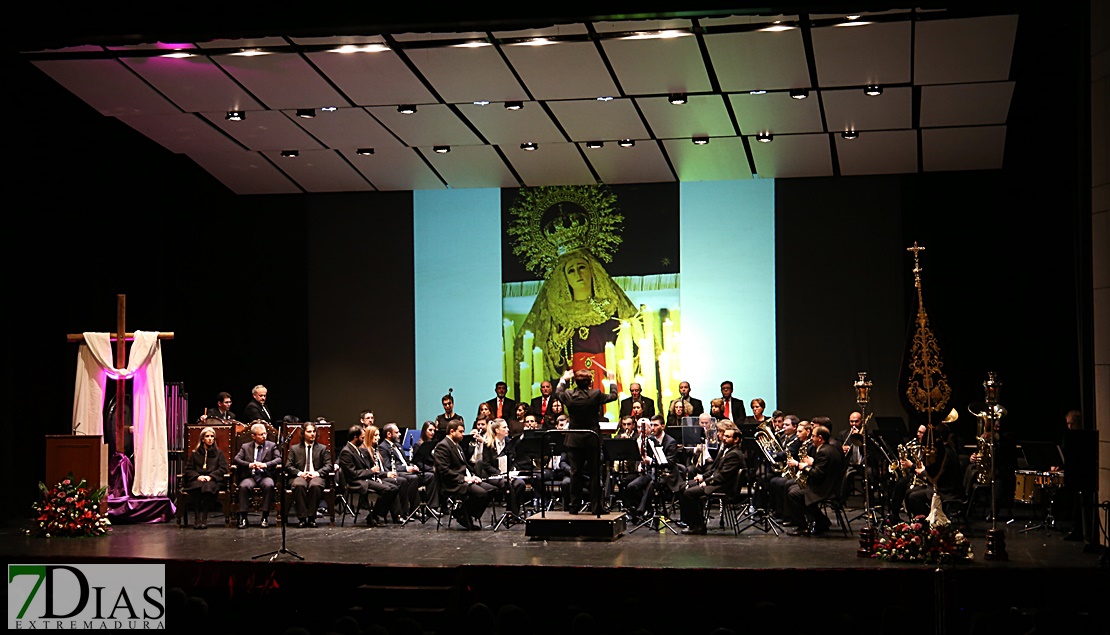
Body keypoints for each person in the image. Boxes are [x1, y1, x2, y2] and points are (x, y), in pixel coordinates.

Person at [515, 248, 638, 392]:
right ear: (564, 278)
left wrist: (627, 334)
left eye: (581, 267)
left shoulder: (611, 306)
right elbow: (549, 362)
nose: (578, 274)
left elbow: (635, 344)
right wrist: (555, 346)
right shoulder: (558, 312)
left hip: (606, 375)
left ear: (592, 270)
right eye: (571, 271)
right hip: (573, 378)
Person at [555, 366, 618, 514]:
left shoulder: (569, 395)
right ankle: (597, 507)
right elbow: (613, 396)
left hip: (575, 440)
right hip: (591, 439)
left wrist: (564, 379)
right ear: (590, 382)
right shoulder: (595, 394)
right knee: (595, 474)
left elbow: (558, 392)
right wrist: (612, 380)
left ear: (576, 382)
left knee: (575, 473)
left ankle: (574, 506)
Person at [679, 420, 745, 534]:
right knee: (683, 486)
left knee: (689, 493)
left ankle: (698, 526)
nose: (723, 438)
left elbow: (723, 476)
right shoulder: (726, 449)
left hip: (723, 486)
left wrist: (707, 482)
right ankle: (690, 521)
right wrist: (703, 477)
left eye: (727, 436)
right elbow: (715, 469)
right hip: (718, 482)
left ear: (736, 439)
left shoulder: (734, 454)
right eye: (723, 435)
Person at [785, 421, 844, 536]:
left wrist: (803, 466)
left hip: (825, 488)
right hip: (827, 484)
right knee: (793, 488)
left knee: (794, 493)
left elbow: (817, 474)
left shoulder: (824, 452)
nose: (811, 439)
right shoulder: (828, 448)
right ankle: (821, 520)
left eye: (813, 436)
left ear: (820, 438)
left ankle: (803, 526)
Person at [621, 414, 680, 523]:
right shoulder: (650, 440)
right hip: (651, 472)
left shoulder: (671, 442)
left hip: (666, 475)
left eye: (656, 425)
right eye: (651, 425)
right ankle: (648, 509)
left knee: (652, 484)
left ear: (662, 426)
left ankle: (641, 511)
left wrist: (651, 461)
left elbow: (670, 463)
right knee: (631, 486)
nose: (652, 428)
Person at [337, 424, 399, 527]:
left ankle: (374, 514)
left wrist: (377, 475)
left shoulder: (358, 449)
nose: (363, 440)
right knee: (387, 490)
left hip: (365, 478)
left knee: (394, 488)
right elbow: (353, 473)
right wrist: (371, 471)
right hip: (356, 481)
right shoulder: (346, 452)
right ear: (355, 437)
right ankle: (374, 516)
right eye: (362, 437)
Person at [433, 420, 490, 530]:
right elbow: (444, 471)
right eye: (461, 431)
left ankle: (464, 512)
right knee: (482, 493)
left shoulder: (457, 445)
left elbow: (465, 465)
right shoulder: (443, 446)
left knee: (492, 490)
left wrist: (473, 476)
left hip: (463, 479)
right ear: (452, 431)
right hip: (452, 483)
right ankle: (462, 515)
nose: (463, 434)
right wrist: (464, 479)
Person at [232, 422, 281, 529]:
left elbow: (279, 459)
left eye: (265, 434)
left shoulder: (271, 445)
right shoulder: (245, 447)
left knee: (269, 485)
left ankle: (265, 517)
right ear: (253, 436)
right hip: (251, 476)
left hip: (265, 475)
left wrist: (265, 465)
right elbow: (236, 459)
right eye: (261, 434)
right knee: (243, 486)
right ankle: (243, 517)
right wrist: (249, 465)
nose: (264, 436)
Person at [381, 422, 437, 511]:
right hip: (399, 473)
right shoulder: (383, 447)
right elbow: (388, 466)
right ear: (389, 434)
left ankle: (432, 507)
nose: (399, 434)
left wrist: (413, 466)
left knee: (431, 476)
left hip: (408, 472)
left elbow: (407, 461)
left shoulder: (398, 445)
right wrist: (406, 468)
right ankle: (415, 509)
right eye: (397, 432)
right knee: (413, 478)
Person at [475, 418, 526, 517]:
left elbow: (513, 460)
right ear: (497, 430)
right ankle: (514, 515)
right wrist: (500, 474)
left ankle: (511, 512)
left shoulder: (509, 443)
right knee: (507, 484)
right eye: (505, 427)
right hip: (493, 476)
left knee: (520, 483)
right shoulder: (488, 444)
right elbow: (486, 464)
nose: (507, 429)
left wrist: (510, 473)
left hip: (507, 474)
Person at [285, 421, 332, 528]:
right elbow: (288, 466)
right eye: (309, 431)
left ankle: (311, 517)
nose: (312, 434)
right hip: (300, 476)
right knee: (299, 485)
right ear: (303, 434)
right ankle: (302, 517)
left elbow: (329, 465)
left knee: (315, 485)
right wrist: (300, 473)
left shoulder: (322, 448)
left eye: (314, 431)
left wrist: (316, 473)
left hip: (316, 476)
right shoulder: (295, 448)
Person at [182, 426, 228, 530]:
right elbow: (188, 469)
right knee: (196, 488)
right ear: (203, 439)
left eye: (212, 436)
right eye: (207, 436)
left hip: (212, 480)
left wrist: (211, 476)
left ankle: (204, 518)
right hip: (197, 479)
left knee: (208, 488)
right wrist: (198, 477)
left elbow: (223, 468)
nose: (210, 439)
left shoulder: (218, 454)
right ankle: (197, 517)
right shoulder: (195, 454)